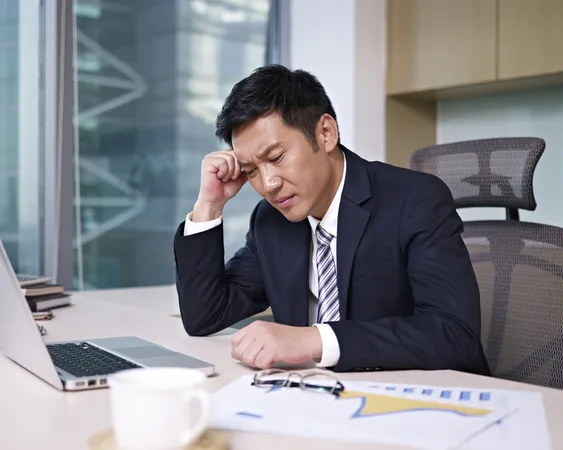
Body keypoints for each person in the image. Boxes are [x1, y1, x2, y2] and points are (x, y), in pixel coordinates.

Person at [173, 64, 490, 375]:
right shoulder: (271, 220)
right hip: (313, 398)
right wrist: (209, 206)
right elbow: (206, 316)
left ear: (326, 133)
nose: (268, 184)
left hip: (413, 404)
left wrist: (315, 340)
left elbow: (455, 335)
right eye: (251, 170)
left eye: (276, 157)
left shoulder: (414, 200)